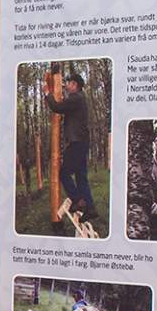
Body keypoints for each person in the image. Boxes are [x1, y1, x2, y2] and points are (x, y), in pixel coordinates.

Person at [42, 67, 98, 235]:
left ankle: (78, 200)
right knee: (81, 177)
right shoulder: (78, 99)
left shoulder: (76, 98)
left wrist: (47, 93)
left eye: (69, 84)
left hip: (77, 143)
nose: (67, 86)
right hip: (80, 142)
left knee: (64, 174)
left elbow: (57, 107)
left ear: (76, 85)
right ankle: (91, 208)